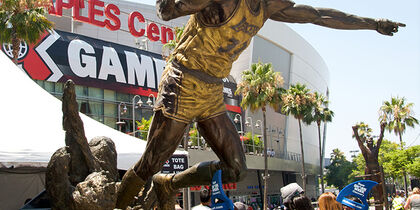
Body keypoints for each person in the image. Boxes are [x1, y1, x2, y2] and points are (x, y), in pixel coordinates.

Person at [115, 0, 405, 208]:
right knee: (148, 164)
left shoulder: (268, 6)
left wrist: (372, 24)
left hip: (212, 91)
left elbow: (318, 15)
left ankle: (170, 183)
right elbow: (166, 10)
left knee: (235, 169)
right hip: (182, 81)